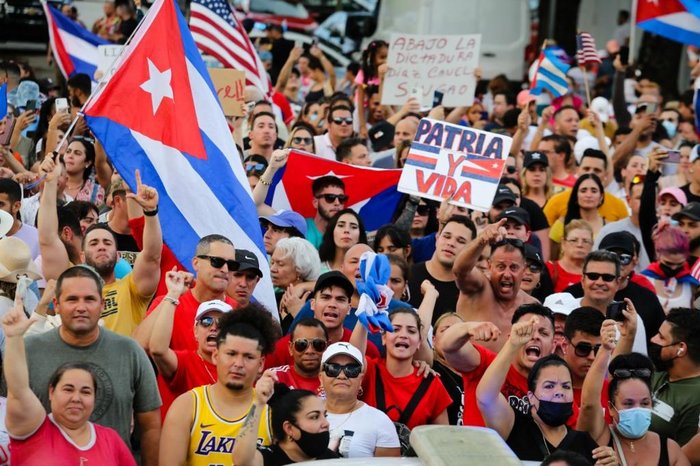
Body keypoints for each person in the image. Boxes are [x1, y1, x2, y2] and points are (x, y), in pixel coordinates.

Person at [23, 266, 161, 464]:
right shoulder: (28, 351)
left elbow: (151, 427)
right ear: (57, 304)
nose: (81, 307)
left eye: (89, 299)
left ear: (102, 304)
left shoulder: (130, 352)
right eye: (72, 299)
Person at [3, 296, 135, 465]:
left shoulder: (111, 439)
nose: (76, 398)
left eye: (86, 391)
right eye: (68, 389)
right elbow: (18, 390)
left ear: (95, 397)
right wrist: (14, 338)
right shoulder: (33, 429)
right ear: (51, 391)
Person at [39, 161, 162, 336]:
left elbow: (152, 256)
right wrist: (50, 184)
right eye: (94, 243)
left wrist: (150, 212)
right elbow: (47, 239)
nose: (102, 247)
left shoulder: (131, 289)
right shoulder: (68, 283)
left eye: (107, 243)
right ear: (82, 255)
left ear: (118, 255)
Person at [160, 304, 281, 465]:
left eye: (248, 357)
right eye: (231, 354)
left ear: (261, 363)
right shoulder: (186, 406)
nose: (238, 363)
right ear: (216, 355)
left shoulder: (272, 410)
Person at [476, 317, 605, 463]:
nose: (559, 392)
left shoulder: (583, 442)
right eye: (549, 386)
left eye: (566, 386)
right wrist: (512, 345)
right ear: (530, 396)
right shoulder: (514, 426)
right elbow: (486, 397)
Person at [578, 348, 690, 465]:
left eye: (644, 403)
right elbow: (589, 405)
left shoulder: (670, 450)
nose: (637, 410)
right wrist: (605, 349)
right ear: (611, 407)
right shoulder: (599, 436)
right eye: (628, 404)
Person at [149, 268, 234, 408]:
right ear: (195, 331)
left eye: (221, 323)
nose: (213, 327)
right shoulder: (186, 363)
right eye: (206, 322)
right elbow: (158, 349)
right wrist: (173, 294)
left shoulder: (238, 367)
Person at [353, 309, 451, 429]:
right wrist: (364, 314)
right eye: (395, 329)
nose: (403, 335)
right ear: (384, 338)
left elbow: (443, 438)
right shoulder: (370, 370)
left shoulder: (432, 383)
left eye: (411, 331)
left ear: (419, 342)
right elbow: (353, 358)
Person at [454, 220, 538, 352]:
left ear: (524, 269)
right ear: (489, 266)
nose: (507, 274)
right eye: (501, 266)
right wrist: (481, 240)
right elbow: (460, 271)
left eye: (514, 268)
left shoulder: (533, 307)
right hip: (466, 369)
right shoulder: (478, 289)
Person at [320, 342, 401, 457]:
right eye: (333, 368)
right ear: (320, 378)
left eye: (351, 370)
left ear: (361, 379)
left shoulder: (380, 421)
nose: (342, 375)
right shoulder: (304, 415)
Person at [232, 384, 339, 465]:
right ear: (289, 428)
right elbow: (241, 461)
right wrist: (258, 403)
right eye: (314, 417)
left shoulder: (332, 460)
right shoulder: (267, 458)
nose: (326, 423)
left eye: (325, 416)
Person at [407, 215, 475, 323]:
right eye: (447, 236)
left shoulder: (471, 291)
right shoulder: (408, 276)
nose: (451, 243)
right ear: (437, 239)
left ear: (471, 250)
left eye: (460, 241)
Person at [648, 308, 700, 446]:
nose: (653, 339)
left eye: (661, 337)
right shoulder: (657, 372)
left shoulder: (696, 398)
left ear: (681, 348)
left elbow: (685, 457)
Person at [642, 225, 698, 313]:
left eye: (680, 264)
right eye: (668, 263)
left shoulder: (690, 284)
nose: (674, 268)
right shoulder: (644, 280)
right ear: (658, 254)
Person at [271, 237, 320, 331]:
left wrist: (298, 312)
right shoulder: (275, 298)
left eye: (280, 264)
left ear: (300, 269)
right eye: (272, 262)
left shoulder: (315, 301)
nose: (273, 269)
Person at [550, 174, 606, 256]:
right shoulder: (561, 224)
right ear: (576, 196)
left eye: (594, 191)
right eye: (583, 191)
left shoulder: (609, 227)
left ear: (601, 197)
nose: (588, 195)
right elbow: (552, 259)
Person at [270, 318, 328, 395]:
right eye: (301, 344)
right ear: (290, 348)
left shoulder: (337, 380)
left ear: (327, 347)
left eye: (318, 344)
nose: (309, 351)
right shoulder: (274, 377)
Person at [431, 312, 467, 425]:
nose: (452, 335)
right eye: (445, 330)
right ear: (433, 340)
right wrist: (431, 295)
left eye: (458, 330)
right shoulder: (430, 366)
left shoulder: (477, 373)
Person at [548, 220, 594, 293]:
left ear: (592, 245)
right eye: (574, 240)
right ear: (563, 243)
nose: (580, 245)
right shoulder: (548, 269)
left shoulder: (596, 275)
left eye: (585, 241)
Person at [60, 137, 105, 206]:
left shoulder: (95, 192)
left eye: (77, 153)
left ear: (88, 163)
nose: (70, 156)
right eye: (68, 151)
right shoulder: (54, 183)